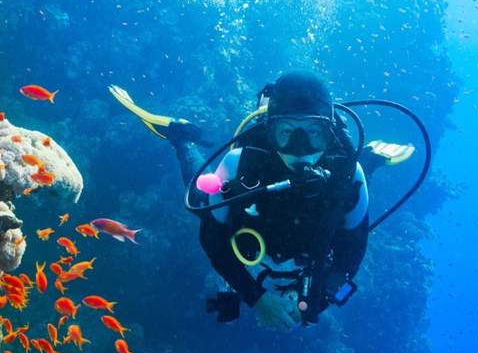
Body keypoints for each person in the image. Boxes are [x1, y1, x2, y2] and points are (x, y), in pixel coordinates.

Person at [110, 70, 413, 330]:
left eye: (313, 134)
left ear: (329, 132)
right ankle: (183, 138)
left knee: (349, 180)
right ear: (271, 131)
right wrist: (256, 297)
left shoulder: (349, 172)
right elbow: (212, 240)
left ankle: (371, 157)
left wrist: (316, 299)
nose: (300, 149)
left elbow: (353, 248)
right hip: (248, 223)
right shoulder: (239, 163)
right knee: (199, 197)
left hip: (327, 201)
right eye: (286, 133)